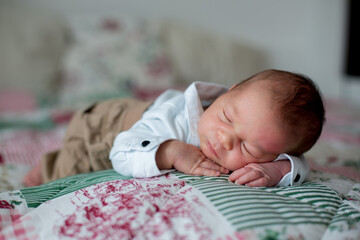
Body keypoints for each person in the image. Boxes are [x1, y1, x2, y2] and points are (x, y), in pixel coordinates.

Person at [23, 69, 325, 188]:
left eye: (248, 148)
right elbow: (121, 151)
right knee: (71, 167)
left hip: (132, 115)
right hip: (101, 127)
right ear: (224, 94)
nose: (224, 138)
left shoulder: (266, 134)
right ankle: (44, 165)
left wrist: (278, 170)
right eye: (227, 119)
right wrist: (168, 150)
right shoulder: (175, 118)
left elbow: (300, 164)